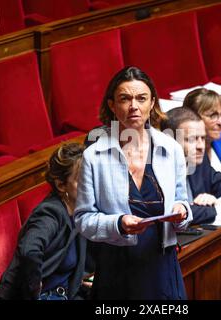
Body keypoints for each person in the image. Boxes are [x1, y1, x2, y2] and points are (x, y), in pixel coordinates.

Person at [75, 66, 192, 300]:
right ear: (112, 105)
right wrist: (118, 223)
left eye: (141, 98)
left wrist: (182, 211)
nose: (133, 106)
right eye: (125, 99)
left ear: (152, 104)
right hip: (116, 270)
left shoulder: (171, 148)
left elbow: (183, 201)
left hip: (162, 265)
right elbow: (83, 220)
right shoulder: (94, 156)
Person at [0, 143, 87, 300]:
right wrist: (35, 290)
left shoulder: (79, 210)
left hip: (65, 292)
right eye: (82, 180)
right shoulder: (50, 213)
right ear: (61, 185)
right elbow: (29, 250)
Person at [161, 107, 221, 225]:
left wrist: (217, 201)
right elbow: (174, 213)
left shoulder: (199, 163)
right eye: (192, 139)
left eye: (202, 138)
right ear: (170, 140)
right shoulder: (158, 170)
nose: (200, 146)